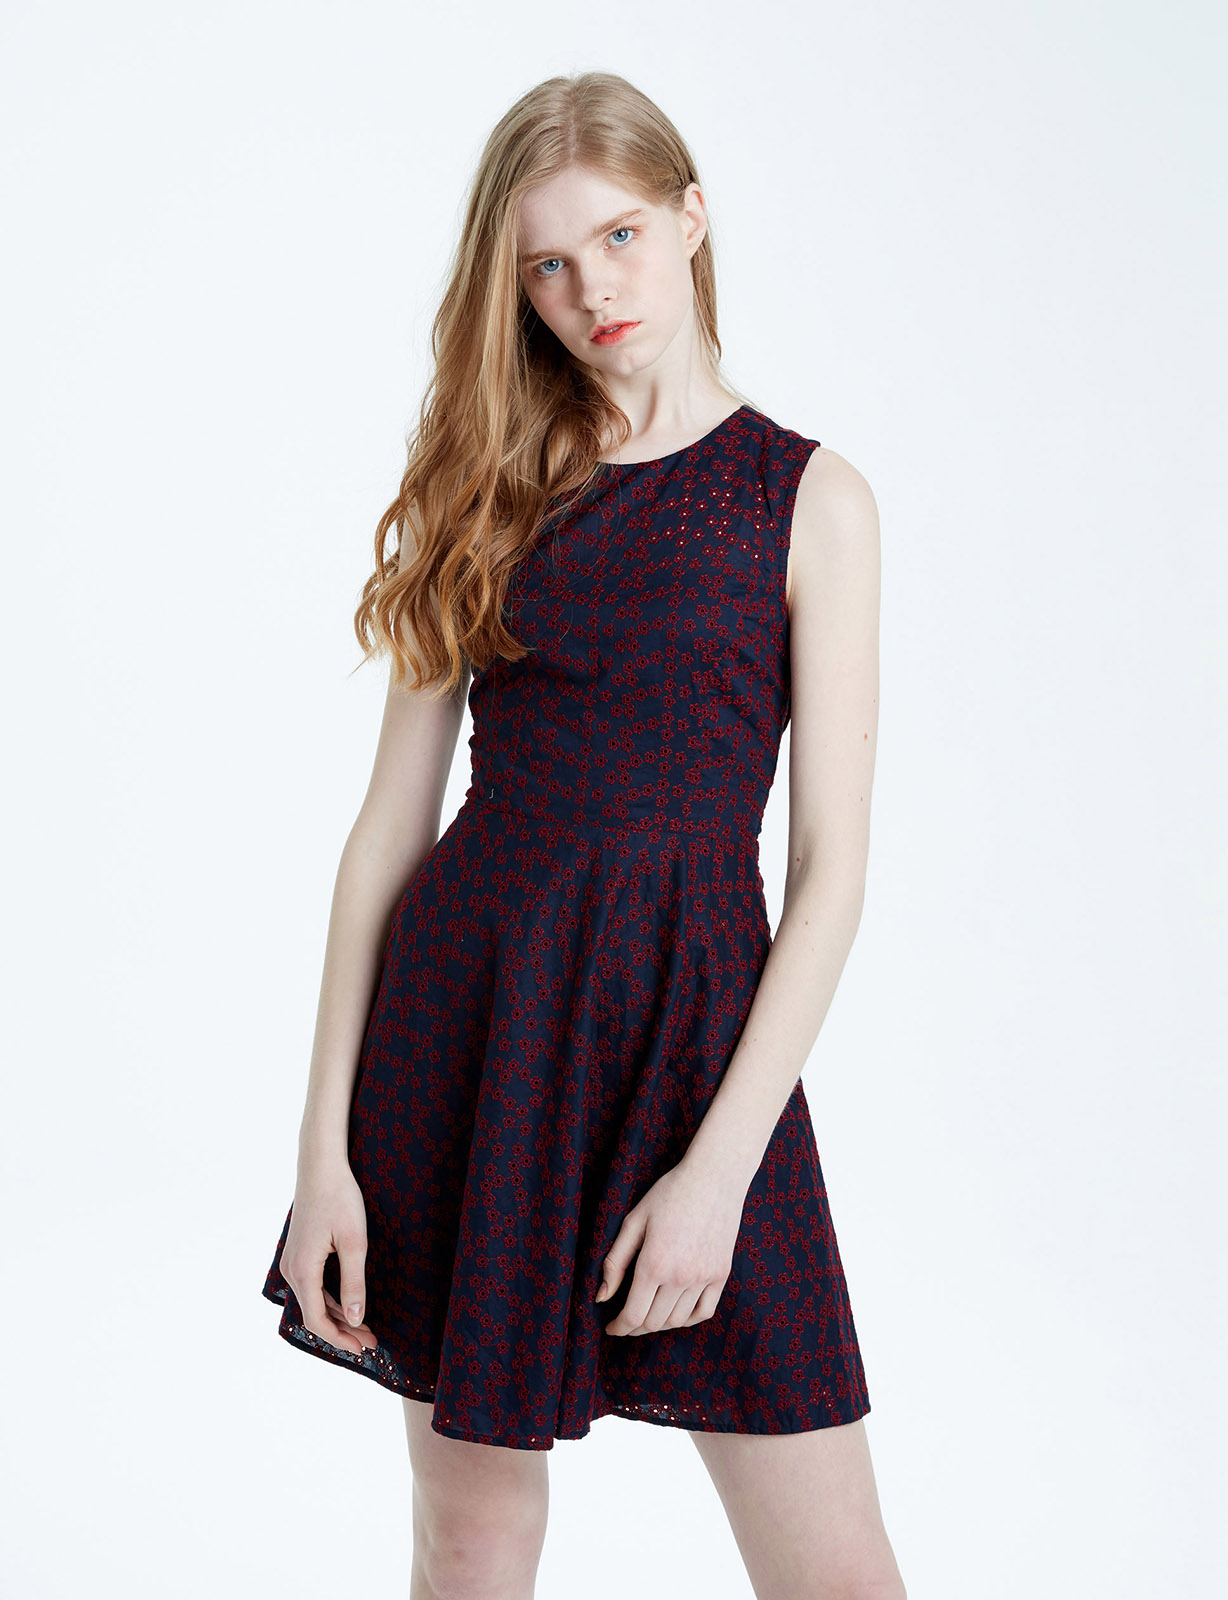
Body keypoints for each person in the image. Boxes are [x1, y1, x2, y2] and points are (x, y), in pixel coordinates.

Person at [258, 71, 901, 1598]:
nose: (591, 290)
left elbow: (829, 876)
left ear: (692, 218)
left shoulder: (809, 500)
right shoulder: (484, 492)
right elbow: (386, 836)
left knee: (836, 1571)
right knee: (470, 1541)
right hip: (474, 1039)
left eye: (618, 237)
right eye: (547, 264)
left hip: (697, 1054)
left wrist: (719, 1174)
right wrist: (322, 1154)